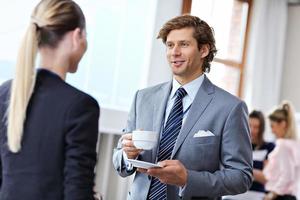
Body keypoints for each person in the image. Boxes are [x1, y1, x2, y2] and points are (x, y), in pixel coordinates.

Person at [113, 14, 252, 200]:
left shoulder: (230, 108)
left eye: (183, 44)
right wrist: (126, 154)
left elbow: (241, 177)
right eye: (170, 45)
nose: (174, 52)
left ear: (203, 50)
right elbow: (119, 159)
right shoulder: (143, 98)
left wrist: (187, 178)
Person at [0, 0, 100, 199]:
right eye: (85, 35)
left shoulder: (4, 93)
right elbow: (77, 192)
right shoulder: (81, 106)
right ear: (77, 36)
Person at [263, 102, 300, 200]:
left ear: (283, 124)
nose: (272, 131)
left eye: (272, 126)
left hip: (280, 197)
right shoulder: (293, 145)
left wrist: (272, 194)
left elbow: (287, 175)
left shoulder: (283, 145)